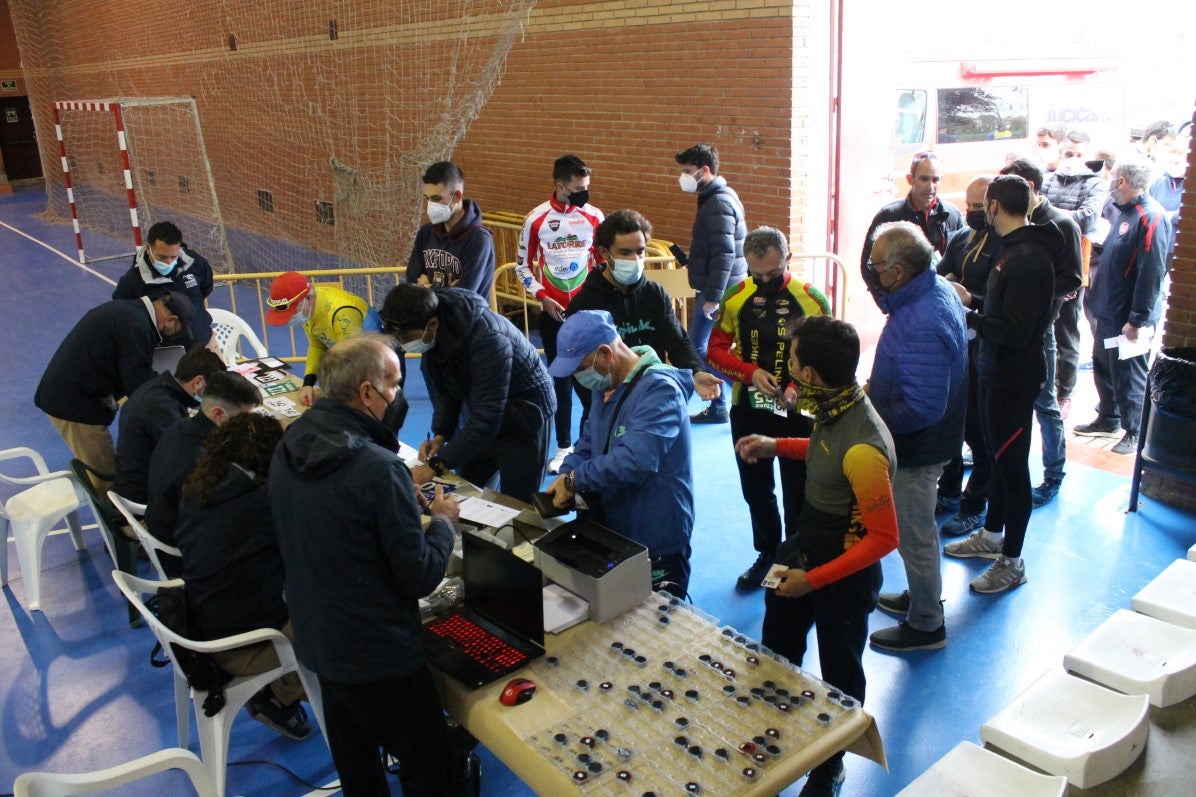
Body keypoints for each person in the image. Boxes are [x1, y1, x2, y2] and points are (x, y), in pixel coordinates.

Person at [270, 336, 470, 797]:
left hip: (318, 638)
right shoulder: (377, 469)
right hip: (378, 653)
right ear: (366, 393)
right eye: (394, 386)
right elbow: (420, 575)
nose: (398, 396)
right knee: (431, 763)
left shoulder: (291, 443)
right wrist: (440, 522)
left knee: (357, 763)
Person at [736, 316, 898, 797]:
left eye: (793, 362)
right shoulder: (837, 404)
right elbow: (826, 450)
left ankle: (830, 764)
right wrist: (775, 445)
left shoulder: (865, 449)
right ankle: (776, 733)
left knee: (841, 673)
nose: (787, 370)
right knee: (776, 643)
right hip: (807, 543)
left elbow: (884, 540)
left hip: (842, 573)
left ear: (808, 375)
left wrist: (815, 580)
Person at [943, 175, 1061, 594]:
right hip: (993, 370)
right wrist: (971, 299)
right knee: (993, 458)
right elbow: (1002, 308)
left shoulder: (1028, 257)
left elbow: (1014, 330)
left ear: (993, 206)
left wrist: (970, 318)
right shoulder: (1008, 251)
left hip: (1013, 378)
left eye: (982, 206)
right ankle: (992, 536)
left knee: (1012, 469)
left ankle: (1012, 559)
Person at [174, 412, 311, 740]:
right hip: (242, 646)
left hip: (203, 625)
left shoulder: (202, 487)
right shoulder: (261, 503)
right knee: (335, 609)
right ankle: (282, 694)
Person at [863, 221, 967, 652]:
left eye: (876, 265)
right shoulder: (930, 291)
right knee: (914, 533)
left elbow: (924, 407)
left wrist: (872, 419)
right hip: (924, 439)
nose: (871, 271)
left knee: (915, 534)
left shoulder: (922, 317)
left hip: (919, 447)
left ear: (899, 272)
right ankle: (919, 596)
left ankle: (926, 623)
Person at [707, 226, 830, 591]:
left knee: (797, 489)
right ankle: (767, 552)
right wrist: (749, 373)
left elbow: (827, 355)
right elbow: (714, 351)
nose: (764, 281)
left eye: (773, 275)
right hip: (748, 408)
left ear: (788, 259)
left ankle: (793, 555)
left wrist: (796, 386)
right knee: (755, 489)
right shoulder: (736, 296)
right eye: (755, 274)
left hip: (798, 410)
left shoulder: (811, 298)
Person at [544, 310, 695, 598]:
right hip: (614, 527)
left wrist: (576, 480)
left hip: (655, 536)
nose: (579, 377)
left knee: (656, 629)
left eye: (581, 368)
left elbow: (636, 461)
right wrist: (567, 473)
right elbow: (590, 440)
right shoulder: (606, 384)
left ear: (605, 353)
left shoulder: (660, 390)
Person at [381, 284, 555, 503]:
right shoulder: (432, 332)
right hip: (485, 408)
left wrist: (435, 466)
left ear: (432, 324)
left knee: (518, 506)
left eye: (405, 338)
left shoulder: (488, 340)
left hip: (525, 416)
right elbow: (446, 389)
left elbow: (487, 418)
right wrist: (441, 435)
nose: (402, 344)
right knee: (469, 487)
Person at [34, 293, 193, 491]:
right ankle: (115, 519)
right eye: (176, 330)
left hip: (73, 393)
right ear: (171, 320)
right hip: (73, 405)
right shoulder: (136, 327)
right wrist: (180, 394)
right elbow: (139, 384)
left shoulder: (129, 311)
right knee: (105, 474)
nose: (171, 335)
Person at [565, 209, 722, 401]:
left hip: (652, 395)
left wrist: (696, 372)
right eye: (625, 252)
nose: (635, 259)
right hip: (609, 401)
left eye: (640, 251)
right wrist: (598, 401)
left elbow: (678, 342)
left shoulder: (654, 293)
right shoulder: (584, 305)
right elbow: (580, 366)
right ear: (603, 252)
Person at [999, 159, 1082, 507]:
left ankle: (1053, 474)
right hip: (1007, 329)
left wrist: (1032, 292)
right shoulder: (1014, 226)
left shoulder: (1063, 224)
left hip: (1041, 329)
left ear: (1029, 187)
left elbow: (1073, 279)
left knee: (1044, 404)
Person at [1073, 159, 1171, 456]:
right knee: (1104, 366)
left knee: (1129, 374)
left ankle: (1134, 430)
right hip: (1107, 310)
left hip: (1128, 316)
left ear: (1125, 182)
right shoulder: (1124, 213)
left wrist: (1138, 319)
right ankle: (1108, 417)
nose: (1111, 185)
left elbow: (1152, 272)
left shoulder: (1150, 217)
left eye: (1114, 180)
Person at [516, 155, 604, 472]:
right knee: (561, 384)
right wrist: (542, 296)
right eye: (578, 188)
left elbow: (602, 264)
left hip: (588, 315)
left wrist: (595, 301)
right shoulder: (535, 220)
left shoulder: (594, 217)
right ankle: (564, 448)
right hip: (553, 316)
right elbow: (522, 268)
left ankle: (589, 443)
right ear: (560, 186)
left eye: (586, 187)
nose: (584, 193)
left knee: (593, 382)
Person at [935, 176, 1000, 538]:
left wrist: (968, 294)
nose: (973, 212)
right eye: (969, 206)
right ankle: (949, 490)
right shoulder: (962, 238)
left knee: (979, 430)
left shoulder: (1005, 247)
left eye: (980, 207)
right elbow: (941, 275)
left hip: (985, 349)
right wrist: (953, 284)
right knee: (951, 422)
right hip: (955, 344)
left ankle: (976, 504)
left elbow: (997, 300)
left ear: (993, 207)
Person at [145, 370, 262, 554]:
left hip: (160, 521)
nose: (246, 425)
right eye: (243, 419)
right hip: (178, 548)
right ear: (218, 414)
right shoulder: (199, 463)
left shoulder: (179, 425)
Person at [675, 143, 747, 424]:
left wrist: (714, 296)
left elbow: (725, 252)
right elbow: (716, 248)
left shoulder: (717, 201)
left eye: (688, 171)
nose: (684, 177)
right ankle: (721, 405)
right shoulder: (715, 197)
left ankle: (738, 394)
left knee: (700, 349)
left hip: (720, 290)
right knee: (706, 348)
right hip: (720, 285)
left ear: (705, 170)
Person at [1042, 130, 1109, 419]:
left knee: (1067, 331)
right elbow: (1036, 211)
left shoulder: (1095, 183)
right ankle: (1043, 383)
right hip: (1043, 263)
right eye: (1068, 153)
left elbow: (1088, 216)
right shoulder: (1049, 178)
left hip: (1073, 266)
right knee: (1042, 328)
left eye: (1079, 155)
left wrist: (1053, 213)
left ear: (1089, 156)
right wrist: (1062, 213)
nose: (1072, 159)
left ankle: (1065, 392)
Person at [112, 346, 225, 504]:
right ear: (198, 381)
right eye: (211, 390)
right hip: (142, 497)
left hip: (133, 479)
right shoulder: (163, 409)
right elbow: (186, 455)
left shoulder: (158, 386)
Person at [859, 151, 963, 306]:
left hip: (941, 302)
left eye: (936, 179)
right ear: (910, 179)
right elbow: (869, 264)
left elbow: (960, 260)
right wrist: (884, 300)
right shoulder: (889, 215)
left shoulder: (952, 215)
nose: (930, 186)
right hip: (902, 303)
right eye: (924, 179)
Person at [264, 271, 382, 406]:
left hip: (374, 362)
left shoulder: (341, 314)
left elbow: (353, 362)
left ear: (307, 298)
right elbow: (317, 346)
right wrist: (308, 384)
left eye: (292, 311)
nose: (290, 318)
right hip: (352, 357)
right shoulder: (308, 309)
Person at [112, 220, 214, 347]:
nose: (168, 262)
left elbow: (206, 288)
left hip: (205, 343)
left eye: (173, 257)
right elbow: (123, 315)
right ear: (148, 249)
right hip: (166, 353)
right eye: (162, 257)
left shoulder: (196, 263)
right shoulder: (132, 281)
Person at [407, 160, 495, 297]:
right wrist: (448, 289)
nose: (430, 205)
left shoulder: (479, 239)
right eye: (427, 199)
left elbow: (465, 294)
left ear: (457, 196)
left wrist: (428, 287)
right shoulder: (425, 233)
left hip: (466, 317)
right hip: (430, 316)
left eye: (436, 198)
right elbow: (412, 283)